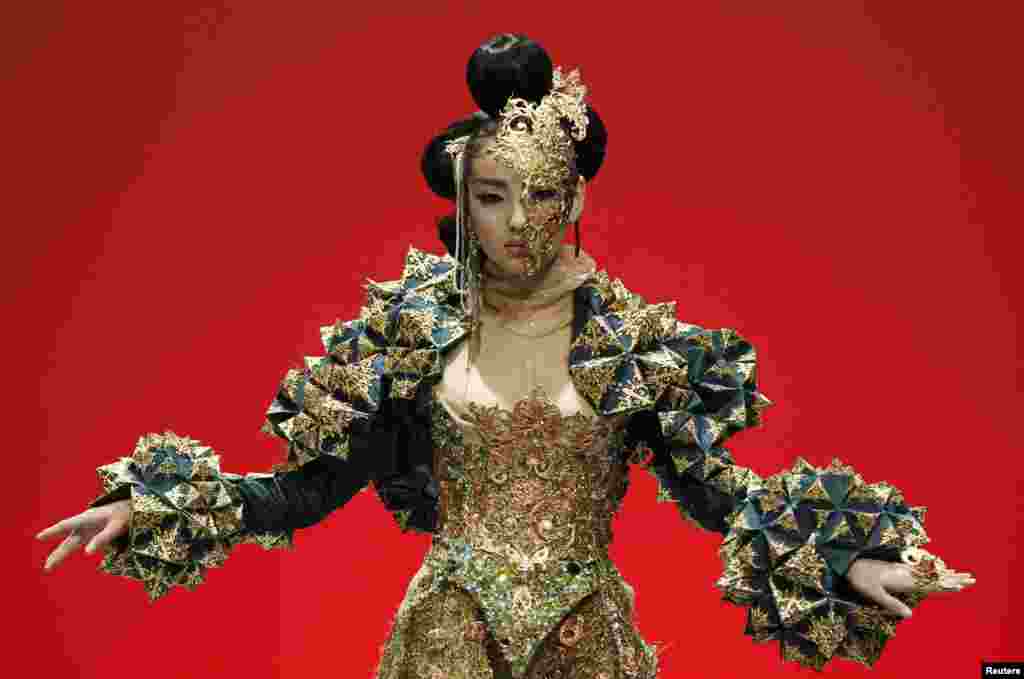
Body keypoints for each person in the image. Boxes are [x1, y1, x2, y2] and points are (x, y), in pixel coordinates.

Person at [36, 33, 973, 679]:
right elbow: (307, 489)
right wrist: (157, 502)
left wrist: (848, 555)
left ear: (574, 196)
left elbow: (718, 493)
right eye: (492, 195)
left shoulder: (630, 346)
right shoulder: (409, 334)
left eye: (542, 195)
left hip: (586, 640)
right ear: (461, 196)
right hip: (447, 635)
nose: (518, 222)